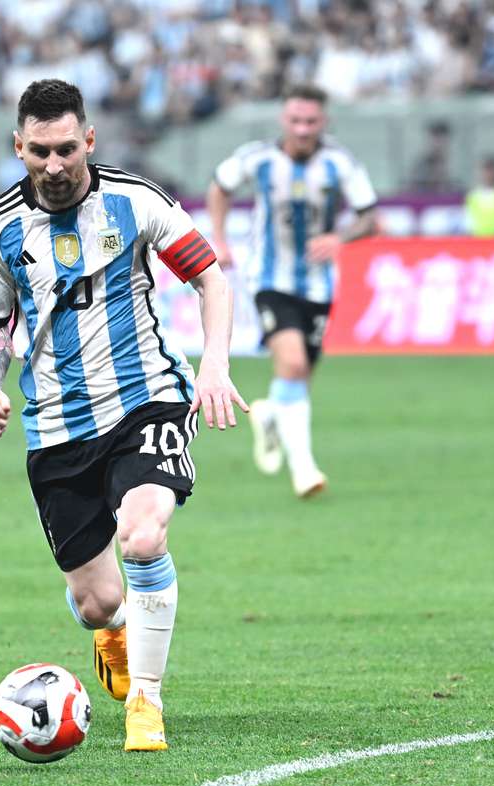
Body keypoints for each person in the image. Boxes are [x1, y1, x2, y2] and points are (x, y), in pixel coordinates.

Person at [0, 79, 247, 752]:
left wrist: (214, 365)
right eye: (39, 152)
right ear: (19, 146)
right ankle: (113, 635)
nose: (54, 165)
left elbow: (210, 277)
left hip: (146, 398)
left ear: (89, 139)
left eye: (67, 148)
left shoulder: (136, 200)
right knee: (95, 601)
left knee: (144, 537)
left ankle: (145, 702)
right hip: (57, 426)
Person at [206, 84, 377, 499]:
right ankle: (304, 470)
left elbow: (369, 216)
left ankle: (268, 416)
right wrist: (220, 238)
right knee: (295, 363)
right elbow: (220, 187)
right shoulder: (258, 156)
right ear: (284, 119)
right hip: (269, 280)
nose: (302, 130)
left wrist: (341, 237)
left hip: (318, 285)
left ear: (324, 122)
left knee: (299, 378)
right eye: (295, 121)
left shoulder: (340, 162)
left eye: (311, 122)